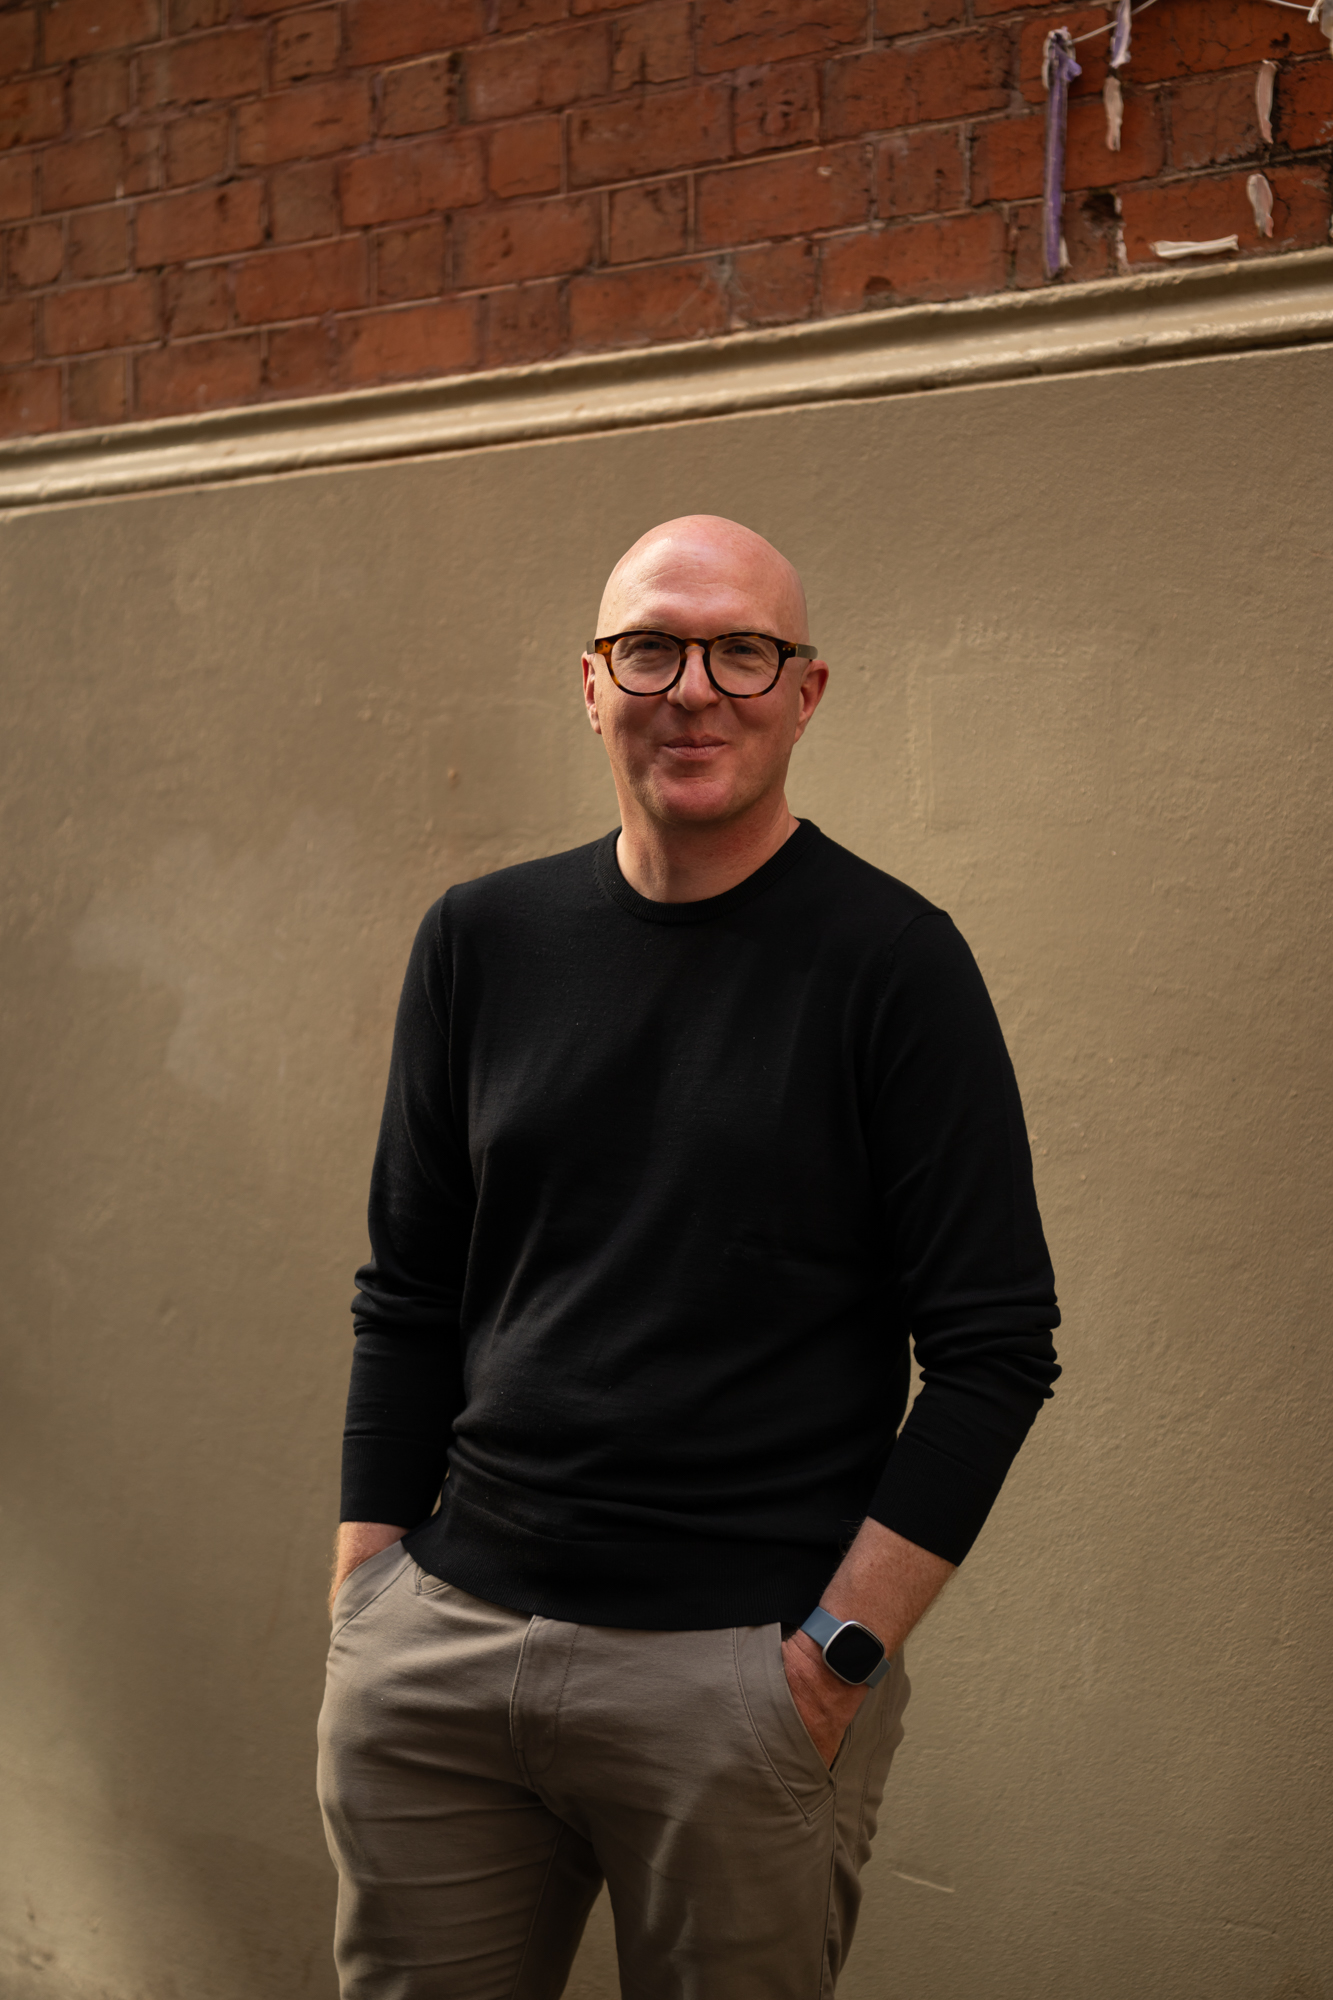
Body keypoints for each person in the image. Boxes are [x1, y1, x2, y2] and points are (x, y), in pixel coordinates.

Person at [317, 515, 1060, 2000]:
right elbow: (409, 1294)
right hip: (441, 1656)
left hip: (736, 1679)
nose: (695, 688)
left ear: (806, 691)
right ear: (593, 684)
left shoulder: (892, 965)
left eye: (744, 652)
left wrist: (831, 1660)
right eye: (651, 648)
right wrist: (365, 1601)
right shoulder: (479, 941)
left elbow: (994, 1351)